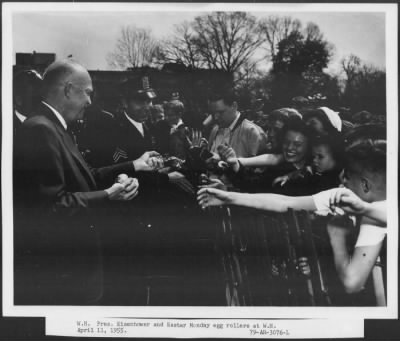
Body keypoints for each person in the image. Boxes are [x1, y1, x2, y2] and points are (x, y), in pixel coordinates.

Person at [13, 59, 162, 305]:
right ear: (69, 90)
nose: (90, 102)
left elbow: (85, 176)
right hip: (65, 274)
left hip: (75, 269)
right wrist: (109, 195)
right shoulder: (41, 129)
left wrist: (135, 165)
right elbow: (50, 207)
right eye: (87, 93)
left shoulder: (53, 126)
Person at [198, 141, 387, 299]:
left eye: (347, 175)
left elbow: (352, 283)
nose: (341, 178)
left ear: (365, 184)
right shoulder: (343, 194)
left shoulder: (379, 212)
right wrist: (229, 198)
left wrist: (336, 236)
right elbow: (284, 202)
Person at [207, 88, 264, 159]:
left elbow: (259, 168)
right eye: (212, 113)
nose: (215, 117)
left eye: (220, 112)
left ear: (234, 106)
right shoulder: (215, 130)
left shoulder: (253, 132)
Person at [13, 69, 43, 136]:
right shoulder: (9, 129)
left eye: (43, 95)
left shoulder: (49, 124)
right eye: (36, 97)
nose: (43, 102)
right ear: (19, 100)